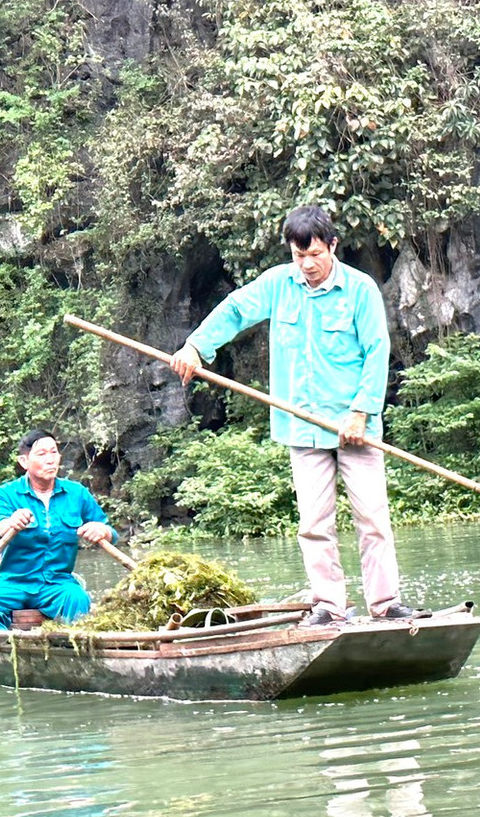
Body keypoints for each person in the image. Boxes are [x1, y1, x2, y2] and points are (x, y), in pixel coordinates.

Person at [168, 205, 418, 626]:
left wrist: (361, 411)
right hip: (301, 426)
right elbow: (234, 310)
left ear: (332, 246)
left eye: (315, 254)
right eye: (298, 256)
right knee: (314, 523)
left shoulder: (360, 290)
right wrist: (196, 346)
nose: (307, 265)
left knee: (372, 518)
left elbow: (378, 352)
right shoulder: (278, 284)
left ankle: (386, 603)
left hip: (355, 426)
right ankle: (329, 605)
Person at [0, 430, 119, 629]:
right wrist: (12, 522)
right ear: (24, 461)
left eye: (54, 452)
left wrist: (102, 530)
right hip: (13, 582)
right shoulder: (6, 494)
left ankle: (68, 654)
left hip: (58, 583)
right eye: (41, 454)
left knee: (78, 600)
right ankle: (3, 654)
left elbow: (110, 532)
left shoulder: (77, 493)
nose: (50, 460)